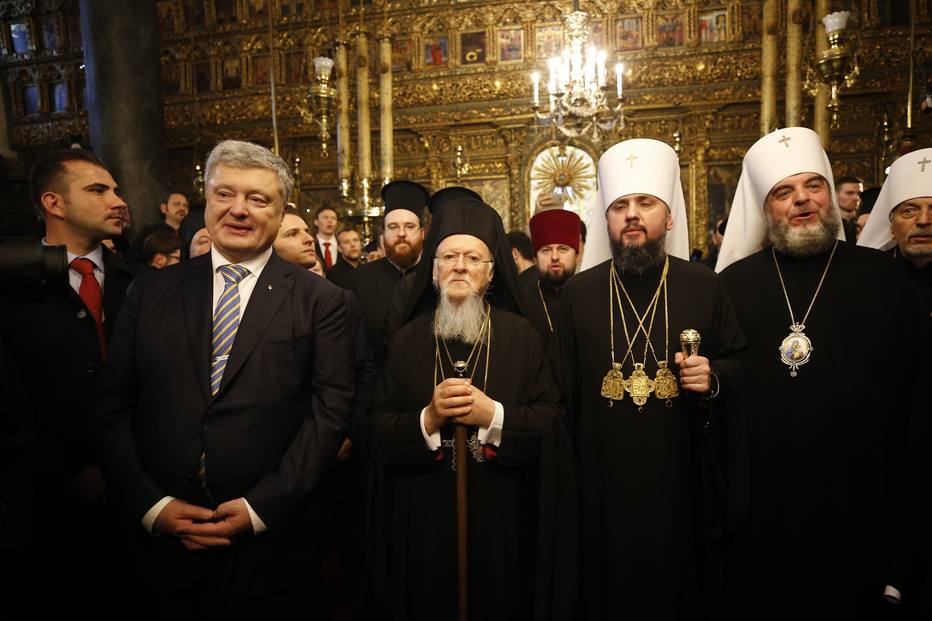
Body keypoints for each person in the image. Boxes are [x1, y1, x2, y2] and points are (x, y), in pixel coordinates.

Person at [94, 139, 354, 615]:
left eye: (258, 199)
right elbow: (114, 406)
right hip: (159, 546)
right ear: (206, 201)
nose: (239, 210)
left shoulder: (323, 301)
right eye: (224, 194)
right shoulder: (149, 291)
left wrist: (261, 509)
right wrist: (152, 506)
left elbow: (328, 415)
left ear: (281, 214)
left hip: (271, 547)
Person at [716, 127, 919, 619]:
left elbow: (910, 400)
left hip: (861, 497)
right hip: (765, 502)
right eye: (784, 192)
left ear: (829, 194)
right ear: (765, 209)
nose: (802, 200)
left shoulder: (885, 277)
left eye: (813, 186)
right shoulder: (731, 286)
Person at [561, 138, 747, 619]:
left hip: (680, 469)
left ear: (670, 217)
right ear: (606, 220)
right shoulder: (578, 293)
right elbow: (563, 391)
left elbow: (737, 363)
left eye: (646, 202)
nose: (632, 215)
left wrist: (714, 374)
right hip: (599, 476)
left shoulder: (705, 284)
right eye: (620, 205)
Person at [368, 197, 576, 621]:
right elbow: (375, 426)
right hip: (422, 521)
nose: (460, 266)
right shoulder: (407, 341)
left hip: (503, 518)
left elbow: (553, 419)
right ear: (433, 269)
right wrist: (427, 418)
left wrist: (494, 416)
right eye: (448, 256)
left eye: (472, 258)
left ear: (491, 271)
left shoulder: (522, 336)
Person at [0, 148, 141, 616]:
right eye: (98, 190)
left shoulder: (137, 282)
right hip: (43, 502)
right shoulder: (12, 286)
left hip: (139, 486)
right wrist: (63, 470)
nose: (118, 200)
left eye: (117, 189)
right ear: (54, 203)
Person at [859, 148, 932, 617]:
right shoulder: (867, 284)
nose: (923, 221)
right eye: (910, 210)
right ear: (892, 219)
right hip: (886, 456)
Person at [351, 180, 429, 363]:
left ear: (422, 233)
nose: (401, 233)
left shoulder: (436, 276)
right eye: (393, 227)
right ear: (383, 235)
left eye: (410, 226)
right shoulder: (359, 279)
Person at [518, 208, 580, 345]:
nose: (555, 257)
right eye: (546, 250)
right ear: (535, 259)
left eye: (563, 249)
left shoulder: (590, 297)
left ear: (577, 256)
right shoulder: (519, 302)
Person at [313, 205, 339, 270]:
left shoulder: (342, 245)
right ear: (316, 222)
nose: (330, 221)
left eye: (333, 218)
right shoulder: (310, 244)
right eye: (325, 217)